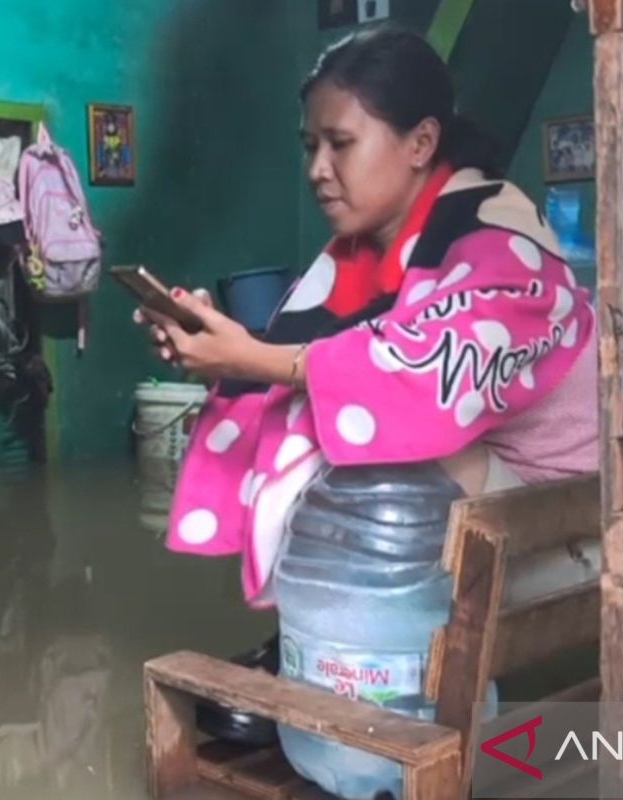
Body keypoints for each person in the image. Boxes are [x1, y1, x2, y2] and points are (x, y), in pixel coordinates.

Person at [135, 26, 597, 602]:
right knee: (340, 414)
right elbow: (337, 358)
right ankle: (330, 646)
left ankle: (358, 657)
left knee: (384, 435)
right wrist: (222, 356)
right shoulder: (366, 255)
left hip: (568, 528)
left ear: (421, 143)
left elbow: (410, 373)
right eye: (310, 147)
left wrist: (250, 356)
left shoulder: (496, 240)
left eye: (341, 143)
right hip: (497, 509)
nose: (317, 170)